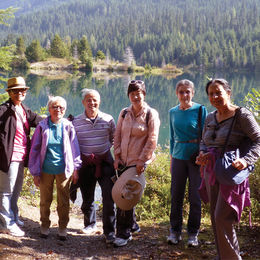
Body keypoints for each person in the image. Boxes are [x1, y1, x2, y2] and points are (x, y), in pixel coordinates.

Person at [196, 78, 260, 260]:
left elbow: (258, 140)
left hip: (231, 173)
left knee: (222, 218)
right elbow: (203, 142)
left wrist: (247, 160)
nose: (215, 96)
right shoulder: (210, 117)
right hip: (211, 172)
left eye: (219, 93)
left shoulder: (242, 115)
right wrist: (202, 154)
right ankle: (224, 255)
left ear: (228, 93)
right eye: (211, 94)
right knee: (216, 220)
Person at [113, 80, 160, 247]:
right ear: (128, 95)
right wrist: (117, 156)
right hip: (124, 160)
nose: (135, 96)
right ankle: (132, 224)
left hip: (138, 161)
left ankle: (123, 234)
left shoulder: (150, 114)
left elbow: (153, 139)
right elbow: (117, 135)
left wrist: (142, 160)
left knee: (124, 195)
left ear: (144, 94)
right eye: (132, 93)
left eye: (138, 93)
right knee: (128, 191)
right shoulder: (124, 113)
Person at [29, 96, 81, 240]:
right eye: (55, 107)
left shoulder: (68, 126)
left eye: (61, 107)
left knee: (63, 201)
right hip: (45, 169)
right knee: (45, 200)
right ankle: (44, 225)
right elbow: (34, 149)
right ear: (49, 109)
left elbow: (74, 148)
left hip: (64, 170)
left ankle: (62, 227)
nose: (58, 110)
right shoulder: (42, 126)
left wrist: (76, 168)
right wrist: (35, 172)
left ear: (64, 110)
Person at [72, 89, 116, 244]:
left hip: (105, 162)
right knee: (87, 196)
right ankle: (89, 224)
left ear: (100, 101)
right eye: (88, 100)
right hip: (85, 163)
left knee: (109, 196)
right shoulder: (75, 122)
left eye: (95, 100)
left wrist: (101, 153)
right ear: (83, 102)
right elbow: (73, 144)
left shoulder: (108, 119)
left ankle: (109, 230)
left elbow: (114, 139)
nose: (92, 103)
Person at [0, 76, 42, 237]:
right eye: (15, 91)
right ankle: (6, 223)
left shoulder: (23, 110)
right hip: (8, 157)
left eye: (22, 90)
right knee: (5, 191)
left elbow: (39, 121)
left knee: (15, 190)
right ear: (10, 93)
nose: (19, 93)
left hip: (21, 157)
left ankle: (13, 216)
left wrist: (61, 120)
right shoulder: (3, 110)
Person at [167, 79, 207, 247]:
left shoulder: (200, 110)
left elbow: (206, 136)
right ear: (176, 94)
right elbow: (171, 136)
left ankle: (193, 234)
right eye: (181, 92)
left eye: (187, 91)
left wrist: (204, 157)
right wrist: (171, 159)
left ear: (193, 93)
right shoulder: (172, 112)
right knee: (176, 196)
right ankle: (175, 231)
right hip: (178, 158)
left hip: (196, 159)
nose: (184, 95)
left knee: (195, 197)